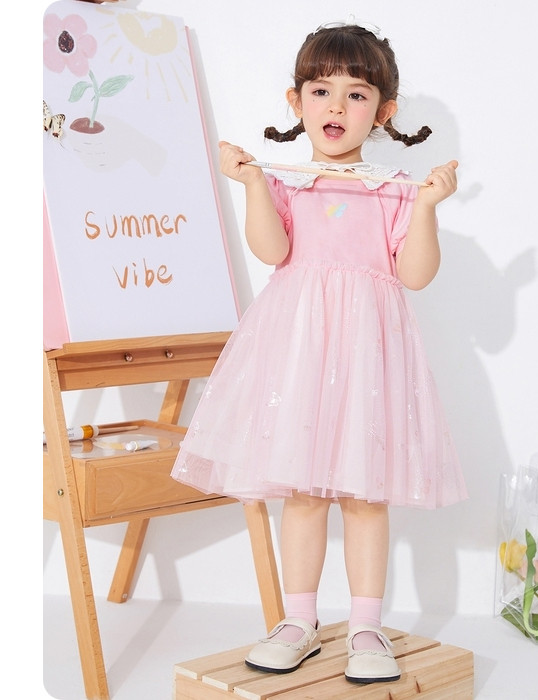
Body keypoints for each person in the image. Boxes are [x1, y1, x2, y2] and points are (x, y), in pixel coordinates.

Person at [171, 18, 468, 685]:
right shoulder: (284, 180)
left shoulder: (392, 189)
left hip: (367, 359)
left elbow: (415, 274)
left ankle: (365, 624)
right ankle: (298, 620)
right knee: (302, 490)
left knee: (365, 495)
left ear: (383, 112)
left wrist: (426, 207)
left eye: (356, 94)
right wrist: (252, 184)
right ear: (296, 100)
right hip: (299, 354)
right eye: (321, 90)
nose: (337, 105)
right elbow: (272, 250)